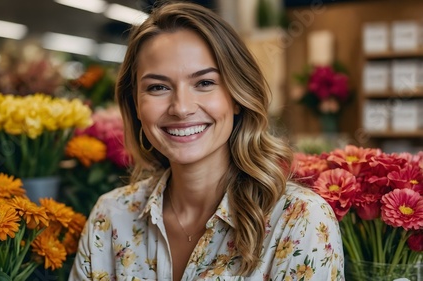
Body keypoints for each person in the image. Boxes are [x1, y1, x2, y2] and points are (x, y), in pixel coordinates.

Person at [69, 1, 344, 280]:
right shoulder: (111, 216)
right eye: (158, 87)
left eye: (204, 83)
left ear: (237, 97)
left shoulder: (299, 220)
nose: (182, 107)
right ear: (135, 105)